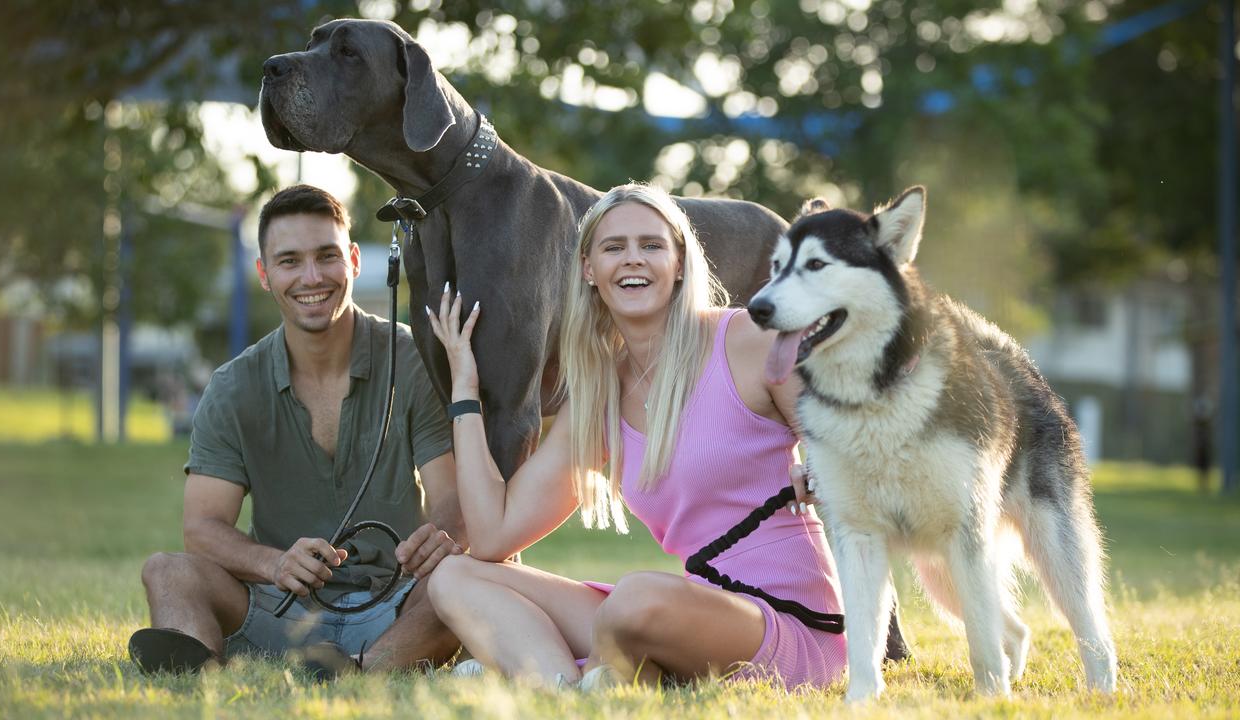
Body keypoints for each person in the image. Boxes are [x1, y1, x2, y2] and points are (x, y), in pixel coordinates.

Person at [424, 183, 846, 689]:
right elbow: (493, 536)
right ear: (588, 270)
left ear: (680, 262)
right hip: (678, 612)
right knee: (455, 576)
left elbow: (847, 449)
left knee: (637, 597)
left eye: (651, 245)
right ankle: (567, 687)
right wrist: (465, 389)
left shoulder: (750, 340)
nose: (633, 260)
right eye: (613, 247)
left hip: (787, 625)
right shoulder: (600, 394)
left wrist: (824, 467)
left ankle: (578, 670)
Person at [129, 184, 465, 677]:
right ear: (264, 274)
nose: (311, 277)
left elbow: (452, 497)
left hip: (398, 605)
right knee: (166, 569)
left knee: (469, 577)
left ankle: (361, 671)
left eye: (326, 256)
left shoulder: (414, 360)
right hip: (279, 608)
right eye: (289, 261)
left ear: (352, 259)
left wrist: (442, 537)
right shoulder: (231, 387)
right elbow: (202, 527)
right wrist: (274, 564)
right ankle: (194, 669)